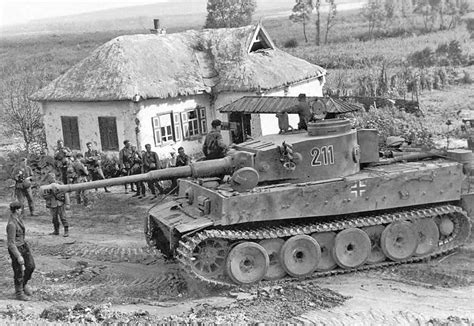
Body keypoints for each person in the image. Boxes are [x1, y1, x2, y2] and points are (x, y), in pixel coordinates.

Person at [6, 201, 35, 301]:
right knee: (18, 271)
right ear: (16, 210)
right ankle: (19, 293)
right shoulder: (11, 224)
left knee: (31, 266)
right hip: (16, 249)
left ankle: (24, 284)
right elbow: (11, 243)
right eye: (19, 209)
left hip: (23, 246)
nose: (21, 210)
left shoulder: (18, 219)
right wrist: (18, 256)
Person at [44, 173, 70, 237]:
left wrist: (67, 204)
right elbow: (45, 196)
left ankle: (66, 231)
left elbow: (66, 194)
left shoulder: (60, 184)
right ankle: (56, 230)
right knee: (54, 218)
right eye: (50, 177)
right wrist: (47, 203)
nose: (52, 178)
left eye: (53, 177)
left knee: (63, 217)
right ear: (48, 179)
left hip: (60, 203)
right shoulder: (47, 186)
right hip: (52, 204)